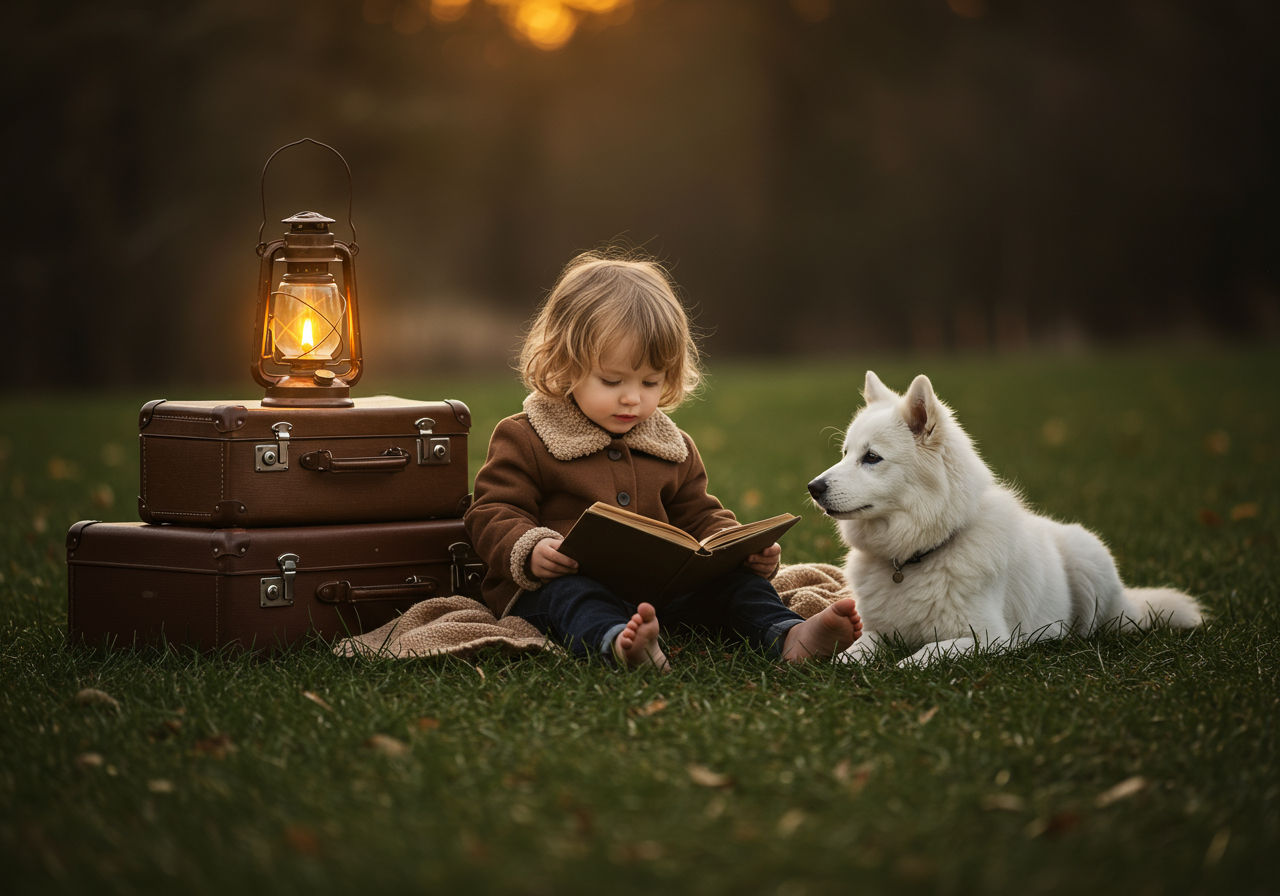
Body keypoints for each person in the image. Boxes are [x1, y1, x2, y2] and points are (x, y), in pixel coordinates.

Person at [464, 250, 861, 670]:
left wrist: (738, 548)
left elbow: (699, 515)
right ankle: (620, 645)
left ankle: (789, 634)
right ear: (565, 363)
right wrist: (531, 549)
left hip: (657, 596)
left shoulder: (671, 446)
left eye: (650, 382)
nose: (632, 398)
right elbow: (491, 511)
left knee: (739, 585)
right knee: (575, 596)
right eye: (611, 381)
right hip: (553, 587)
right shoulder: (527, 436)